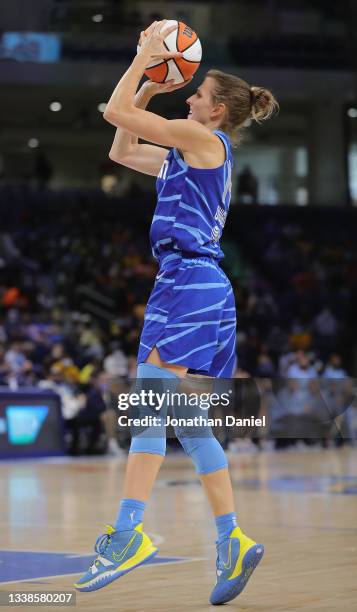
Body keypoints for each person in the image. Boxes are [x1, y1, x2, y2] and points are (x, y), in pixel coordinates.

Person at [74, 20, 278, 604]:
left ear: (216, 114)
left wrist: (146, 59)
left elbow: (114, 112)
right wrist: (149, 86)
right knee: (184, 421)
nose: (188, 97)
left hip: (189, 283)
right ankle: (231, 539)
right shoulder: (184, 155)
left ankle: (130, 532)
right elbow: (119, 146)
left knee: (147, 404)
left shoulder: (204, 143)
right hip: (199, 285)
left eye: (197, 95)